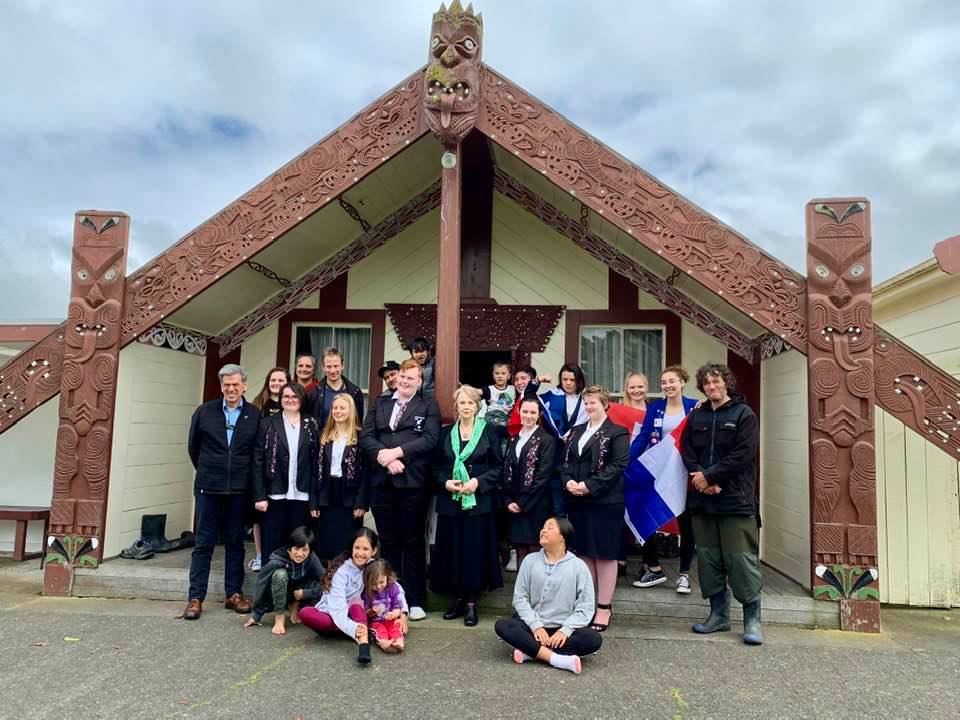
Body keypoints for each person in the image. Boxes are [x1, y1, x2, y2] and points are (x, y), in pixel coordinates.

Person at [681, 363, 762, 645]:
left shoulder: (744, 414)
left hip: (735, 500)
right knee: (708, 560)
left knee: (741, 561)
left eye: (716, 382)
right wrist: (700, 478)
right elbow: (686, 449)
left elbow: (744, 454)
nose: (711, 387)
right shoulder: (697, 415)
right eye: (706, 383)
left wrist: (711, 476)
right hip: (702, 500)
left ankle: (752, 620)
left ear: (726, 383)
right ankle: (718, 615)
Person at [359, 358, 441, 620]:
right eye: (402, 377)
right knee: (389, 541)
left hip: (412, 484)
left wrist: (397, 453)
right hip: (381, 483)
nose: (404, 381)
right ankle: (391, 598)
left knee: (413, 541)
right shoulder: (381, 403)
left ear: (419, 381)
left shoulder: (428, 405)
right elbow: (366, 436)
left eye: (410, 378)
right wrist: (385, 457)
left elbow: (430, 439)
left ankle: (415, 600)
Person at [183, 364, 262, 620]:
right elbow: (193, 448)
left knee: (235, 542)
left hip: (239, 489)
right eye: (227, 384)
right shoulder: (204, 412)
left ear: (244, 386)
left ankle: (233, 594)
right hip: (209, 487)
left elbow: (257, 453)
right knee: (203, 543)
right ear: (221, 386)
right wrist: (211, 470)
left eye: (235, 384)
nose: (231, 389)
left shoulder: (254, 414)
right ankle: (196, 597)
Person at [431, 385, 504, 627]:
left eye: (470, 403)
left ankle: (472, 602)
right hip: (451, 502)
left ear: (477, 406)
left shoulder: (489, 432)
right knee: (453, 550)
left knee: (473, 552)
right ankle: (458, 598)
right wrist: (446, 483)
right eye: (461, 403)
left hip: (478, 503)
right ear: (456, 406)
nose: (465, 407)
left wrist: (477, 483)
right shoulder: (445, 433)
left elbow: (498, 467)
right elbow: (435, 468)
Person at [493, 518, 602, 675]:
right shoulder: (530, 561)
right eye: (543, 527)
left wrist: (565, 630)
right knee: (504, 626)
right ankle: (557, 659)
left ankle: (530, 651)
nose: (543, 530)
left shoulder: (579, 566)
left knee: (593, 639)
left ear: (563, 537)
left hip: (562, 629)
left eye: (550, 527)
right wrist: (536, 625)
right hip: (533, 628)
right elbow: (520, 598)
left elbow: (586, 607)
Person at [563, 384, 630, 632]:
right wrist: (568, 482)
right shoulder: (576, 431)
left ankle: (604, 607)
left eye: (593, 402)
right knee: (584, 554)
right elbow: (565, 462)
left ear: (605, 404)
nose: (589, 406)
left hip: (605, 502)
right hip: (577, 501)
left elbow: (618, 465)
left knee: (604, 554)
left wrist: (589, 486)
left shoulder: (617, 432)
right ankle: (587, 606)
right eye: (586, 402)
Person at [630, 366, 700, 593]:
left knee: (686, 523)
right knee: (645, 512)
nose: (667, 386)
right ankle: (654, 567)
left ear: (682, 382)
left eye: (672, 381)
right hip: (660, 471)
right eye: (663, 382)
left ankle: (684, 574)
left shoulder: (695, 406)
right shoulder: (655, 408)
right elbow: (643, 437)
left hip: (686, 472)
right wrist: (627, 461)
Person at [300, 528, 405, 665]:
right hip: (335, 613)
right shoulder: (341, 572)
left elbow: (395, 587)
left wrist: (403, 614)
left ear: (373, 551)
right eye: (357, 548)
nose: (360, 553)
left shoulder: (374, 566)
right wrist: (353, 628)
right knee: (306, 613)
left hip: (359, 612)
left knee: (356, 605)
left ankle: (363, 643)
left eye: (365, 549)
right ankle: (355, 630)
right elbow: (337, 610)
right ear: (351, 548)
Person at [252, 383, 320, 560]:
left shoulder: (312, 424)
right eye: (286, 396)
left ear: (302, 399)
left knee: (298, 545)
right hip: (274, 494)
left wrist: (314, 499)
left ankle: (295, 578)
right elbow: (258, 461)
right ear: (280, 399)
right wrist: (259, 496)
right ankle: (271, 577)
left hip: (301, 495)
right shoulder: (267, 423)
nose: (290, 400)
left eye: (295, 396)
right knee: (272, 545)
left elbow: (316, 462)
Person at [310, 393, 367, 564]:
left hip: (349, 495)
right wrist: (313, 502)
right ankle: (329, 577)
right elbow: (315, 471)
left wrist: (361, 502)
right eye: (335, 408)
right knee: (327, 542)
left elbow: (365, 473)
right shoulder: (324, 435)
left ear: (351, 410)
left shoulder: (360, 436)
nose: (338, 411)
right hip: (326, 493)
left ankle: (347, 576)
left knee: (347, 542)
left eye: (342, 407)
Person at [503, 397, 557, 568]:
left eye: (533, 412)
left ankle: (536, 585)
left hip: (536, 505)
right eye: (525, 411)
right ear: (519, 412)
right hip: (514, 504)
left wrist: (523, 503)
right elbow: (506, 471)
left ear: (539, 414)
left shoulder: (547, 440)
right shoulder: (514, 439)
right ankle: (523, 585)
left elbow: (543, 476)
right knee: (520, 549)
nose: (528, 416)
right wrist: (508, 501)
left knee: (535, 550)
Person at [244, 526, 324, 636]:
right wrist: (257, 614)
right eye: (296, 549)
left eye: (304, 550)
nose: (300, 554)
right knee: (280, 575)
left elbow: (325, 582)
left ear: (310, 551)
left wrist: (305, 593)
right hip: (280, 594)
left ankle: (296, 605)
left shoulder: (312, 558)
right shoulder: (276, 561)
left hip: (299, 593)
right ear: (290, 548)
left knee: (320, 584)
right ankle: (280, 616)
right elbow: (261, 584)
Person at [248, 367, 290, 571]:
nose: (276, 383)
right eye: (273, 380)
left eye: (281, 380)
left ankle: (279, 555)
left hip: (283, 470)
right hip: (261, 465)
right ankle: (259, 554)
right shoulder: (258, 405)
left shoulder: (289, 403)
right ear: (267, 382)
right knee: (259, 516)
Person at [306, 347, 366, 428]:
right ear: (323, 367)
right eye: (328, 366)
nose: (332, 371)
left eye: (336, 366)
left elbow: (358, 424)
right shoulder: (314, 393)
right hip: (321, 436)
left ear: (342, 366)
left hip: (347, 436)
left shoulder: (355, 392)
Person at [362, 559, 408, 653]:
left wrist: (394, 614)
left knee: (396, 626)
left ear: (387, 576)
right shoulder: (367, 592)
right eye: (374, 584)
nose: (378, 586)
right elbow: (365, 612)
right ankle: (383, 642)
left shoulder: (392, 587)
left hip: (390, 619)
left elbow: (397, 605)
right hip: (376, 621)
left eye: (381, 582)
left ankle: (399, 641)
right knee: (379, 629)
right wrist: (371, 611)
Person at [542, 363, 588, 439]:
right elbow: (529, 398)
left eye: (572, 380)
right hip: (553, 442)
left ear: (579, 380)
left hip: (578, 441)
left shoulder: (586, 398)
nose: (568, 383)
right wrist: (538, 381)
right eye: (565, 379)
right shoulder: (552, 396)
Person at [480, 361, 515, 433]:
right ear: (493, 375)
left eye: (503, 373)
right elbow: (477, 392)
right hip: (492, 416)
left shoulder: (513, 389)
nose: (500, 376)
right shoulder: (489, 389)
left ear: (509, 376)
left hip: (506, 417)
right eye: (497, 373)